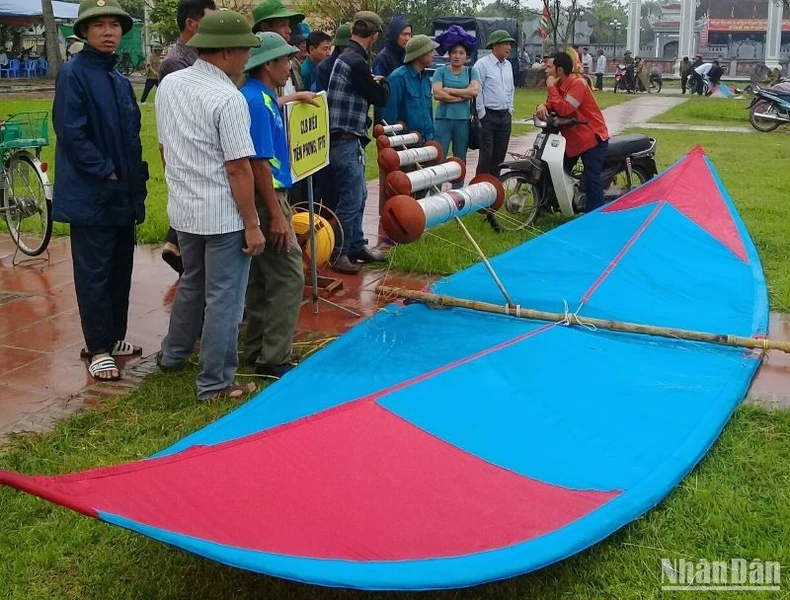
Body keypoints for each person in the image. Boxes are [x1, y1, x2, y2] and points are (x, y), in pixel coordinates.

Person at [155, 10, 264, 401]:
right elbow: (238, 168)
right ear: (226, 52)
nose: (247, 59)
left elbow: (165, 149)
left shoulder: (170, 84)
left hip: (185, 209)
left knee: (191, 283)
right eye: (244, 51)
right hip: (221, 213)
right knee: (225, 298)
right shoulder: (227, 97)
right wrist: (252, 223)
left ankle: (173, 355)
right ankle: (216, 382)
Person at [52, 0, 148, 381]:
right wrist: (105, 171)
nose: (109, 32)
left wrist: (130, 178)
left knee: (120, 267)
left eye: (114, 25)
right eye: (99, 26)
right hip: (91, 193)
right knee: (93, 271)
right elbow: (71, 132)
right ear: (84, 32)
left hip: (122, 192)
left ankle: (114, 335)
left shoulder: (119, 79)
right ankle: (98, 347)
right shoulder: (74, 74)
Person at [240, 32, 307, 378]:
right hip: (268, 197)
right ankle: (274, 357)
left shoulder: (259, 96)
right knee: (288, 276)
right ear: (269, 64)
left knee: (262, 278)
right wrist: (277, 214)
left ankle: (256, 349)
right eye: (285, 60)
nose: (289, 66)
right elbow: (258, 162)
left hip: (267, 196)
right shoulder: (258, 102)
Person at [327, 11, 389, 274]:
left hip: (347, 138)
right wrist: (382, 83)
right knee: (350, 199)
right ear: (374, 36)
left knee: (360, 195)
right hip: (346, 138)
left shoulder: (348, 57)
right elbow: (379, 97)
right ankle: (339, 252)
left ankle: (355, 245)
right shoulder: (356, 62)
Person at [158, 0, 217, 275]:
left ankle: (176, 244)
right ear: (191, 24)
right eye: (209, 20)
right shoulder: (175, 63)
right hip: (190, 157)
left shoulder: (200, 55)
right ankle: (176, 243)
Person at [537, 52, 610, 213]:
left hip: (592, 137)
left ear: (560, 70)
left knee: (592, 178)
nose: (546, 70)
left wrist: (550, 88)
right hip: (575, 140)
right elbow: (552, 104)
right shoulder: (558, 86)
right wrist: (541, 106)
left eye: (550, 67)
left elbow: (565, 109)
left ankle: (594, 216)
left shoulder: (579, 84)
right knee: (554, 169)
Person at [432, 26, 479, 184]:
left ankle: (458, 193)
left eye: (461, 53)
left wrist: (450, 90)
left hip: (463, 121)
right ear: (449, 54)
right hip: (443, 120)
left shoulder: (471, 72)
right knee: (439, 157)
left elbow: (474, 91)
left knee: (460, 158)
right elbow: (438, 93)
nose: (457, 56)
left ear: (466, 55)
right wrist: (460, 96)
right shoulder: (441, 71)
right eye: (454, 53)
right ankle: (435, 191)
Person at [382, 34, 438, 141]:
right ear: (420, 54)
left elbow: (429, 111)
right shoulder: (398, 78)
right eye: (430, 51)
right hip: (406, 143)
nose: (433, 56)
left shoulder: (425, 78)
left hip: (426, 141)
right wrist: (403, 136)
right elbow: (389, 116)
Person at [251, 0, 304, 97]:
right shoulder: (249, 65)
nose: (289, 30)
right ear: (265, 28)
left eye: (289, 25)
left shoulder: (294, 63)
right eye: (282, 25)